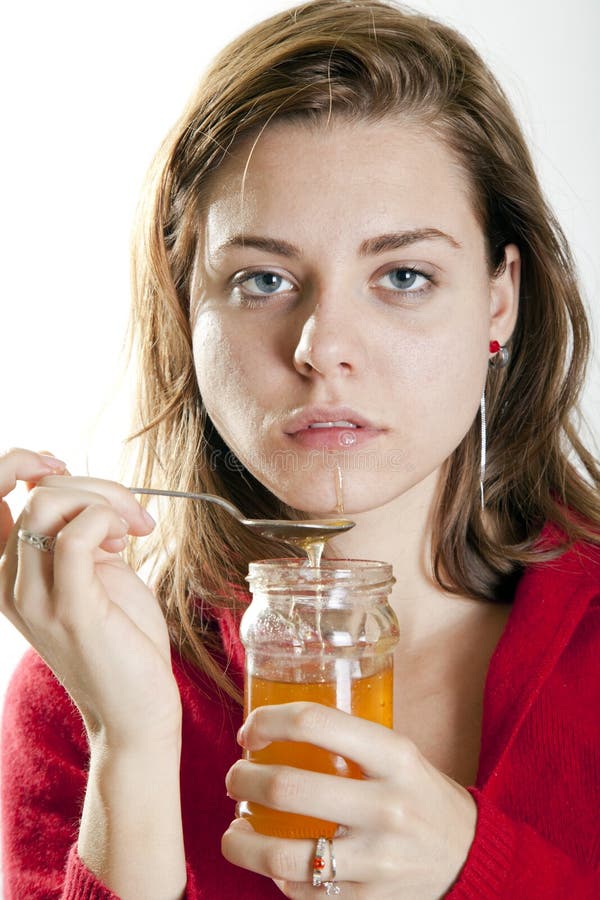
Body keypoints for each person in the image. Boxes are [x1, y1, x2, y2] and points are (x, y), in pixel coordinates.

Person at [1, 0, 599, 896]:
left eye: (403, 276)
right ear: (185, 309)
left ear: (499, 299)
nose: (322, 346)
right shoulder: (85, 682)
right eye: (263, 279)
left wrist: (475, 871)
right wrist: (131, 746)